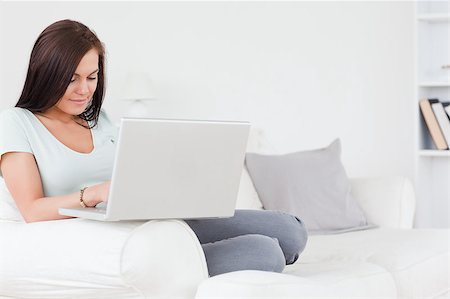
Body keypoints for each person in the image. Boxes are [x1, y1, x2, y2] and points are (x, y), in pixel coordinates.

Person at [0, 19, 307, 276]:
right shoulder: (17, 123)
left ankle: (190, 250)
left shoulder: (100, 120)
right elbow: (32, 209)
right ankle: (181, 259)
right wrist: (94, 193)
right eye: (72, 79)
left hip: (155, 217)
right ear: (46, 73)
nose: (84, 90)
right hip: (119, 238)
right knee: (265, 252)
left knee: (292, 231)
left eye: (92, 77)